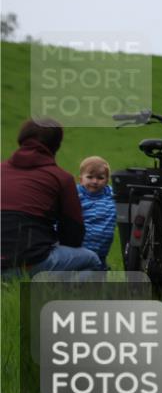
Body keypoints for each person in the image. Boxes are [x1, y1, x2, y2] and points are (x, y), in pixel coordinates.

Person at [1, 119, 102, 277]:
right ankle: (54, 298)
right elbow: (73, 237)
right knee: (92, 261)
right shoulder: (61, 178)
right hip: (29, 261)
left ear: (21, 139)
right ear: (56, 145)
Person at [78, 156, 116, 269]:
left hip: (103, 250)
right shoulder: (75, 195)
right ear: (81, 179)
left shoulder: (112, 195)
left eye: (100, 178)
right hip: (81, 248)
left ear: (107, 179)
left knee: (99, 280)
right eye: (90, 177)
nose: (94, 181)